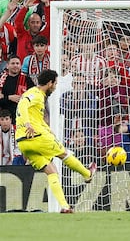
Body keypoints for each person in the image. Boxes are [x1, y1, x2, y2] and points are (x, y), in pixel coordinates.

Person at [15, 69, 97, 213]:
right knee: (64, 154)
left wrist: (47, 128)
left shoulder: (33, 95)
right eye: (55, 83)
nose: (55, 86)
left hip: (23, 142)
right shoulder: (36, 94)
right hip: (37, 137)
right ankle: (86, 174)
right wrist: (28, 124)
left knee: (52, 172)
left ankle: (64, 207)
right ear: (49, 83)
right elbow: (22, 105)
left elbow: (35, 116)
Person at [0, 56, 35, 124]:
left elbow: (34, 96)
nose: (15, 65)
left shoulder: (27, 80)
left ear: (21, 65)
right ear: (7, 65)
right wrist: (9, 98)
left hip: (22, 118)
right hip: (4, 119)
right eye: (13, 63)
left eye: (17, 63)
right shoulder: (1, 79)